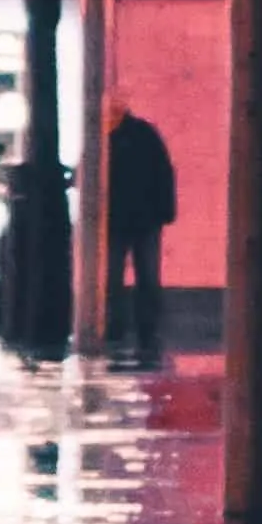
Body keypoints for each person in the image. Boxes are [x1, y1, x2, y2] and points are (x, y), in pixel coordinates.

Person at [104, 100, 180, 362]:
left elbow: (162, 173)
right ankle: (143, 332)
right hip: (142, 218)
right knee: (144, 277)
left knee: (119, 277)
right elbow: (164, 173)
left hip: (123, 219)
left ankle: (120, 330)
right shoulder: (143, 135)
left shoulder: (110, 139)